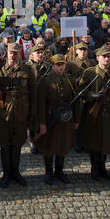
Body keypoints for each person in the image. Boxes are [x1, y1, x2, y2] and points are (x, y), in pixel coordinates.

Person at [0, 43, 37, 188]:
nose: (13, 55)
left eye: (16, 53)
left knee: (18, 143)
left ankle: (16, 172)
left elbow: (34, 92)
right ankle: (6, 173)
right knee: (5, 143)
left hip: (21, 111)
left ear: (20, 54)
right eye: (11, 53)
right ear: (7, 52)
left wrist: (32, 114)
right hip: (4, 111)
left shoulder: (27, 69)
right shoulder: (1, 67)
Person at [77, 46, 110, 181]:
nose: (107, 59)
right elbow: (81, 91)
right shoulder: (89, 73)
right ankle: (94, 168)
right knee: (94, 139)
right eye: (104, 56)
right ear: (97, 58)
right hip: (94, 110)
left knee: (107, 139)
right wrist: (93, 96)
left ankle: (103, 167)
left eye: (108, 56)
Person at [35, 54, 80, 185]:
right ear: (52, 66)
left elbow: (76, 101)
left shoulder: (70, 80)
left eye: (63, 64)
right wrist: (42, 123)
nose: (61, 67)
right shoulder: (45, 80)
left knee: (63, 144)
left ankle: (59, 171)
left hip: (65, 119)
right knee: (49, 145)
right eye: (58, 65)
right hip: (51, 118)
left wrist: (76, 119)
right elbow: (41, 103)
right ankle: (48, 172)